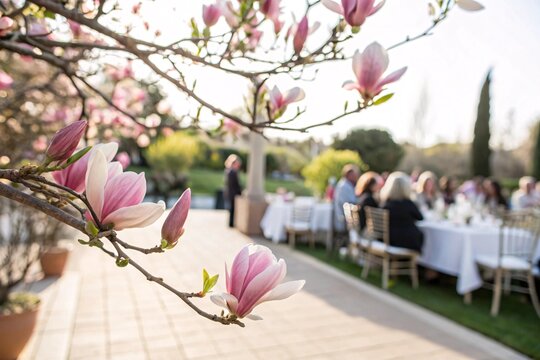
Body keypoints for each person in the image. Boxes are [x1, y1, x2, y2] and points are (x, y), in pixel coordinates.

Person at [380, 172, 424, 253]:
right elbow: (420, 217)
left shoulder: (386, 203)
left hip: (389, 238)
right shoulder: (408, 204)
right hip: (406, 241)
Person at [333, 164, 360, 232]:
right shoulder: (343, 186)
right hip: (345, 215)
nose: (355, 176)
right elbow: (348, 202)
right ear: (347, 175)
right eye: (353, 175)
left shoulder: (349, 184)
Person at [224, 154, 243, 228]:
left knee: (231, 208)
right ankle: (231, 224)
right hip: (233, 193)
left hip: (229, 192)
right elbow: (236, 184)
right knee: (232, 209)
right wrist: (240, 191)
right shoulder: (233, 172)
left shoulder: (228, 171)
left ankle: (231, 223)